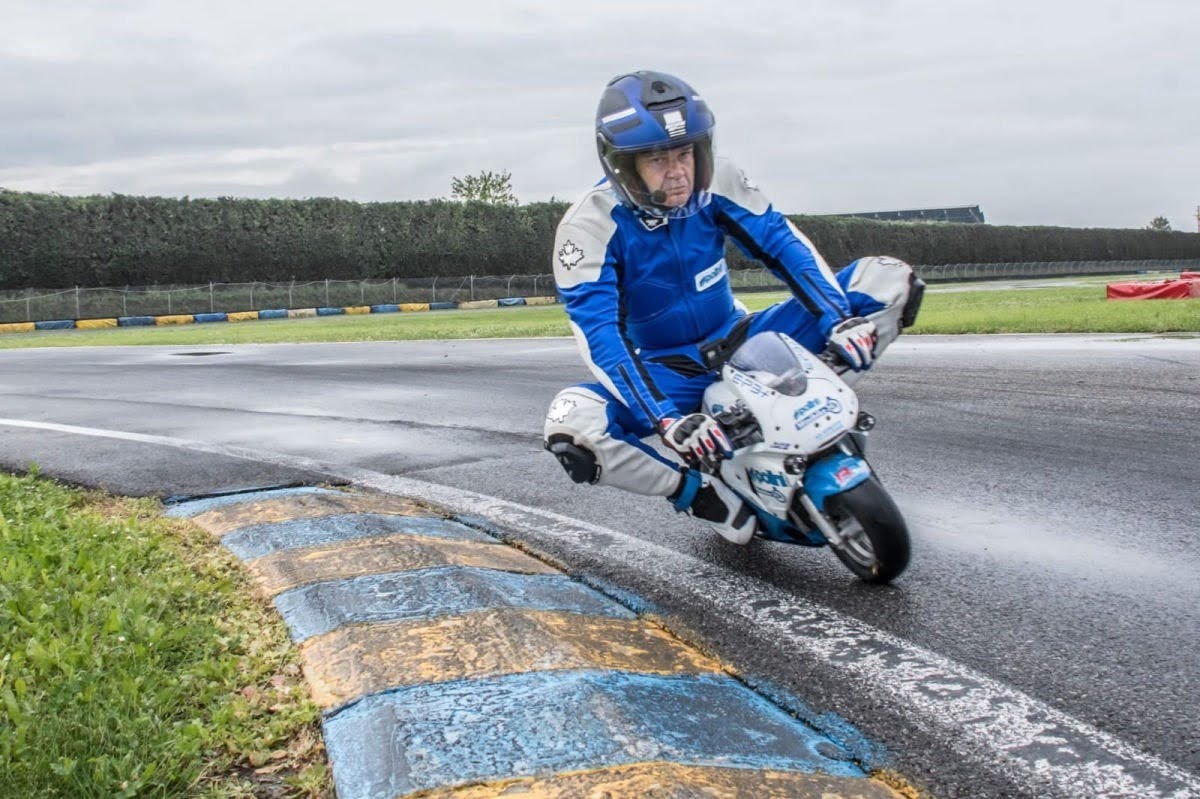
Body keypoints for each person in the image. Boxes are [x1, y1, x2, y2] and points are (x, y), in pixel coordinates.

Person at [543, 70, 922, 545]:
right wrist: (665, 418)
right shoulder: (586, 228)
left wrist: (839, 319)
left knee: (889, 280)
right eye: (658, 159)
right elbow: (600, 337)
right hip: (666, 371)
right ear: (621, 164)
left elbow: (782, 243)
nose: (679, 171)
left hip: (741, 338)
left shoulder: (720, 177)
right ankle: (704, 494)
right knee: (571, 426)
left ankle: (816, 418)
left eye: (686, 153)